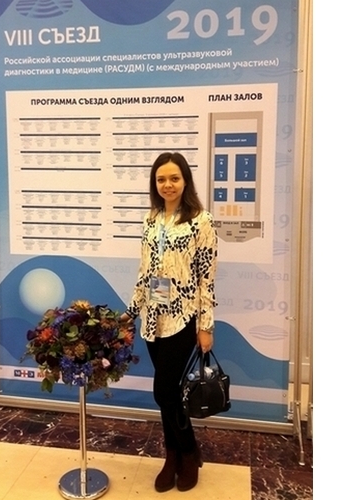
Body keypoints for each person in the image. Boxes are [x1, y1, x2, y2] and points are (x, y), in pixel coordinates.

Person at [120, 152, 218, 492]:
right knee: (169, 394)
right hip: (153, 318)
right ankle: (173, 455)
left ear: (185, 181)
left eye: (174, 178)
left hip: (183, 317)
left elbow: (207, 278)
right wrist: (131, 311)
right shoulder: (151, 219)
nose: (168, 185)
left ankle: (188, 452)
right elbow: (145, 272)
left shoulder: (201, 221)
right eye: (161, 179)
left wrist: (205, 326)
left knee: (164, 390)